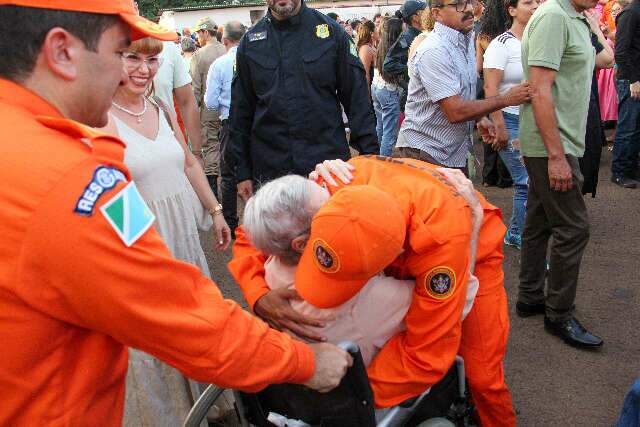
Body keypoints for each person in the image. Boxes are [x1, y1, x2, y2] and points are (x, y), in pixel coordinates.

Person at [0, 2, 354, 425]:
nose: (126, 72)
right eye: (119, 53)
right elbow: (185, 318)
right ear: (62, 52)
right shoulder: (71, 180)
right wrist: (308, 363)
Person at [230, 156, 516, 426]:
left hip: (463, 239)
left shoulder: (442, 242)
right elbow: (257, 228)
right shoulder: (326, 190)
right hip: (410, 220)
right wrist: (258, 295)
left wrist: (348, 402)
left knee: (482, 376)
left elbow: (427, 353)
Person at [99, 36, 233, 425]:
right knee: (154, 336)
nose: (144, 69)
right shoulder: (98, 117)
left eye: (152, 60)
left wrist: (215, 209)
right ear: (112, 60)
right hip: (143, 244)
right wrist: (140, 251)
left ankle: (202, 404)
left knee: (191, 322)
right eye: (133, 59)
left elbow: (189, 161)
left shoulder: (157, 103)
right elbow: (102, 188)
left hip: (183, 238)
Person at [518, 0, 604, 348]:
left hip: (557, 139)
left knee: (539, 221)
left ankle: (530, 297)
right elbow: (539, 88)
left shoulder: (574, 16)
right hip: (552, 141)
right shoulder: (554, 15)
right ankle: (559, 314)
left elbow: (605, 59)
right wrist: (556, 156)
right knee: (573, 228)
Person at [229, 0, 379, 200]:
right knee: (282, 232)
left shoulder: (332, 34)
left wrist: (371, 161)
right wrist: (242, 172)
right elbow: (241, 112)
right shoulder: (250, 44)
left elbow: (358, 101)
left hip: (327, 168)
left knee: (330, 229)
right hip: (272, 173)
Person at [394, 0, 531, 175]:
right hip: (427, 151)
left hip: (451, 150)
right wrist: (506, 99)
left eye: (468, 2)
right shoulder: (434, 50)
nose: (467, 9)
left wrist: (479, 118)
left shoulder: (464, 40)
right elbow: (455, 111)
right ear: (437, 14)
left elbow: (461, 93)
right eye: (457, 4)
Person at [482, 0, 540, 249]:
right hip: (509, 119)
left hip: (534, 121)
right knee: (525, 179)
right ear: (512, 10)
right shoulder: (500, 44)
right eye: (528, 2)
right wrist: (499, 124)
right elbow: (490, 88)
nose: (536, 6)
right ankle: (518, 234)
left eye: (538, 1)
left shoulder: (538, 40)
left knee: (533, 179)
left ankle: (519, 230)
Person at [205, 21, 247, 234]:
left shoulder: (219, 64)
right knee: (260, 169)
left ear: (225, 40)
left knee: (228, 175)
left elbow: (211, 102)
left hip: (230, 122)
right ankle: (264, 221)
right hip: (256, 123)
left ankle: (231, 224)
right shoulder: (256, 58)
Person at [476, 0, 514, 188]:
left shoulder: (482, 36)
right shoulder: (508, 37)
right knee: (505, 129)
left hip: (487, 83)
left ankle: (487, 176)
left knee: (490, 132)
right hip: (507, 87)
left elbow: (477, 66)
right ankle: (505, 177)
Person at [190, 17, 227, 196]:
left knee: (211, 146)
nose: (198, 37)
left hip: (210, 111)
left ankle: (214, 195)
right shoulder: (227, 50)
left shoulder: (199, 55)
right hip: (230, 110)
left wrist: (194, 111)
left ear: (205, 32)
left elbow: (196, 89)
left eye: (198, 33)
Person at [153, 40, 204, 156]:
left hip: (168, 144)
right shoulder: (109, 44)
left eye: (152, 60)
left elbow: (187, 102)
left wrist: (196, 153)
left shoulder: (168, 49)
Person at [610, 0, 640, 188]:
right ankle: (619, 172)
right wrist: (633, 81)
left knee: (635, 127)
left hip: (635, 78)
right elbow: (620, 52)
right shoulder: (630, 13)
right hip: (631, 80)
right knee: (628, 127)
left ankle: (630, 168)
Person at [372, 18, 404, 156]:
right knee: (389, 133)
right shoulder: (396, 49)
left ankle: (378, 156)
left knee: (381, 126)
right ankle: (383, 163)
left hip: (377, 88)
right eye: (402, 29)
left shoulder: (381, 45)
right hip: (388, 91)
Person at [358, 20, 378, 88]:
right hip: (371, 89)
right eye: (376, 29)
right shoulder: (365, 49)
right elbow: (365, 74)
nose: (378, 31)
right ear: (371, 33)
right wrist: (367, 95)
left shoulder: (371, 46)